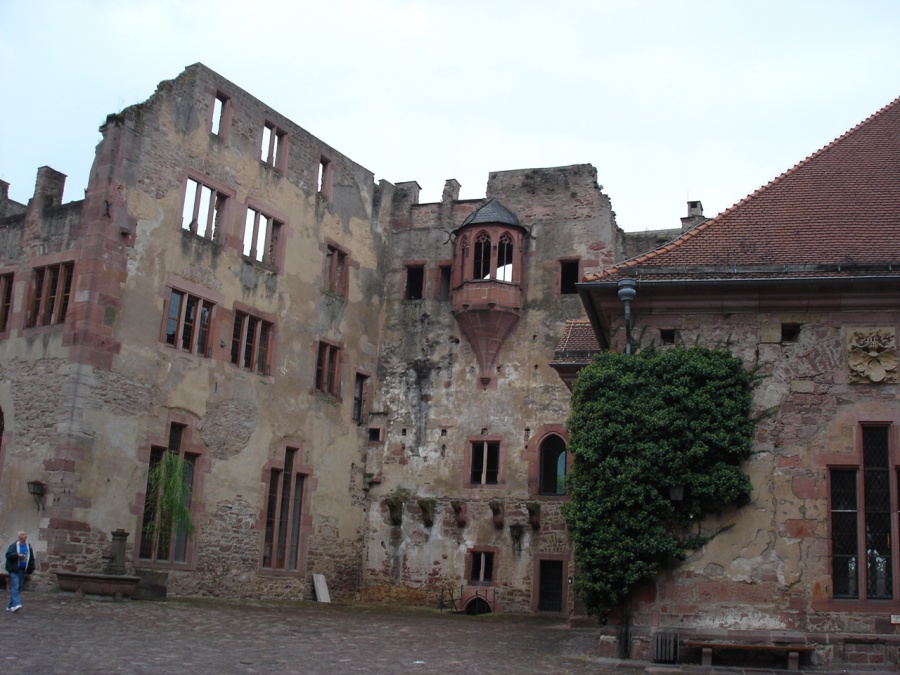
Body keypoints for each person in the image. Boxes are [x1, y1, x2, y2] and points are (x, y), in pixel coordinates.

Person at [5, 531, 35, 612]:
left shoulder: (28, 546)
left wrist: (31, 567)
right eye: (23, 535)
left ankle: (10, 605)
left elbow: (31, 558)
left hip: (22, 570)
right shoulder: (14, 545)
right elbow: (8, 555)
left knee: (19, 588)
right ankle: (17, 603)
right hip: (14, 569)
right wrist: (17, 555)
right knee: (15, 586)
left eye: (25, 534)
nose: (25, 536)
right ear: (19, 537)